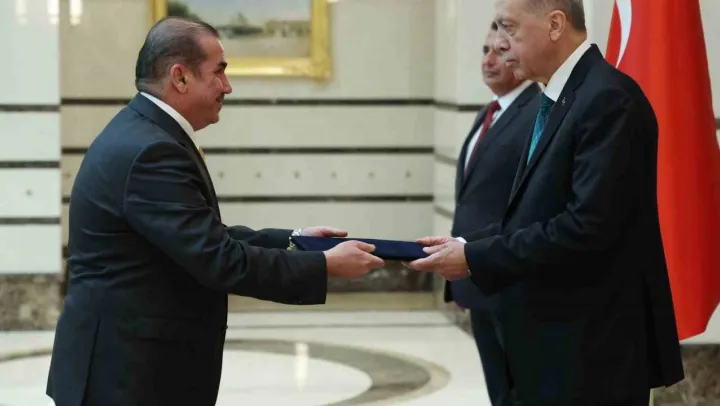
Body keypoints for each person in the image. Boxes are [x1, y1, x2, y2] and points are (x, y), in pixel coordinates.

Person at [46, 17, 384, 406]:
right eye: (219, 72)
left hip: (130, 367)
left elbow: (202, 234)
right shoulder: (152, 151)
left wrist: (296, 241)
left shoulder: (146, 133)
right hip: (126, 376)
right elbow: (218, 259)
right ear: (180, 77)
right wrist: (324, 266)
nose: (227, 86)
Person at [409, 0, 684, 404]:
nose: (501, 43)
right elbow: (536, 212)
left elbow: (586, 227)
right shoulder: (560, 99)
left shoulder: (608, 99)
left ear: (555, 25)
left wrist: (475, 258)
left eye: (510, 28)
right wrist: (467, 245)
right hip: (550, 347)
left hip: (590, 353)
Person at [443, 21, 540, 406]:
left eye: (501, 51)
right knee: (499, 391)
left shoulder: (537, 114)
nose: (489, 60)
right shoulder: (489, 113)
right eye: (485, 50)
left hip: (509, 279)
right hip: (478, 275)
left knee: (520, 391)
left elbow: (529, 204)